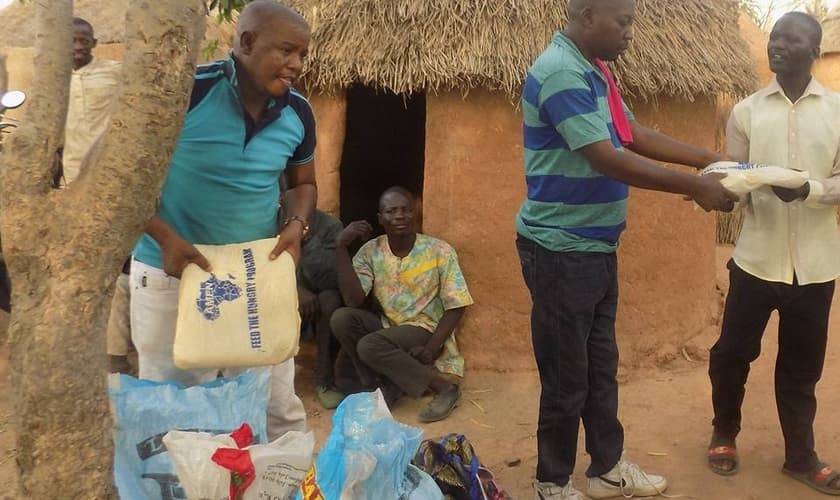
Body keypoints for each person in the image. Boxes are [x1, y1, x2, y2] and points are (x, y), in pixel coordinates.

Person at [515, 1, 740, 499]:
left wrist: (708, 159)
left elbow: (631, 134)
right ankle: (551, 482)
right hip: (560, 252)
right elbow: (606, 158)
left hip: (593, 247)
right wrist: (694, 185)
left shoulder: (595, 70)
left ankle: (607, 469)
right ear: (587, 16)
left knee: (599, 369)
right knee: (566, 377)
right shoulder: (561, 72)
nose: (630, 33)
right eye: (623, 21)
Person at [129, 1, 317, 440]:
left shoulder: (299, 112)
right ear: (246, 42)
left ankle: (279, 476)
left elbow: (303, 182)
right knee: (175, 410)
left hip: (254, 275)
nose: (296, 65)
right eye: (286, 51)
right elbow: (113, 174)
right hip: (172, 272)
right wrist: (165, 238)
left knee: (273, 404)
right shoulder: (187, 92)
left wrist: (297, 224)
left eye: (302, 55)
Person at [707, 12, 840, 496]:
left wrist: (809, 190)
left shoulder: (838, 110)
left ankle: (800, 457)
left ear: (815, 50)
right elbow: (736, 178)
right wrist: (720, 191)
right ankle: (724, 433)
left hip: (816, 265)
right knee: (731, 355)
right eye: (775, 37)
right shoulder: (746, 112)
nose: (777, 44)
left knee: (802, 369)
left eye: (791, 39)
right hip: (755, 261)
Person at [331, 186, 472, 423]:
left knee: (369, 345)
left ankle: (445, 388)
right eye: (391, 211)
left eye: (406, 210)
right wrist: (341, 247)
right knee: (341, 318)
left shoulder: (439, 250)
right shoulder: (371, 251)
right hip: (389, 325)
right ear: (380, 218)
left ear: (415, 214)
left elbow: (457, 305)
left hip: (423, 327)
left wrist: (431, 348)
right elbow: (353, 300)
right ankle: (381, 385)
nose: (399, 216)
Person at [59, 18, 131, 373]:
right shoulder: (54, 81)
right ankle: (76, 346)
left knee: (114, 266)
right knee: (76, 267)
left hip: (111, 182)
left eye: (83, 40)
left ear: (94, 42)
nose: (77, 47)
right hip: (71, 184)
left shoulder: (114, 73)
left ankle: (115, 353)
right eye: (71, 40)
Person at [296, 209, 345, 409]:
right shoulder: (268, 222)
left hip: (314, 304)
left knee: (330, 299)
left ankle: (324, 379)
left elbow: (332, 277)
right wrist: (294, 290)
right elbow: (259, 268)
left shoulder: (330, 226)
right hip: (277, 294)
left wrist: (307, 239)